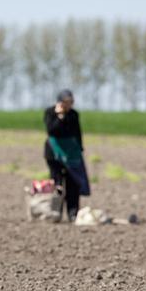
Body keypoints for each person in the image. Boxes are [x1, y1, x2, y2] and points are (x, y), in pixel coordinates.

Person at [44, 89, 90, 222]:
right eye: (66, 102)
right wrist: (60, 116)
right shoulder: (50, 113)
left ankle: (72, 213)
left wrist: (79, 150)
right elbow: (51, 130)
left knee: (73, 184)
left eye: (71, 102)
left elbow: (76, 133)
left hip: (71, 155)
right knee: (57, 183)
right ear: (60, 102)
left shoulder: (74, 115)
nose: (68, 105)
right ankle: (55, 213)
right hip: (54, 155)